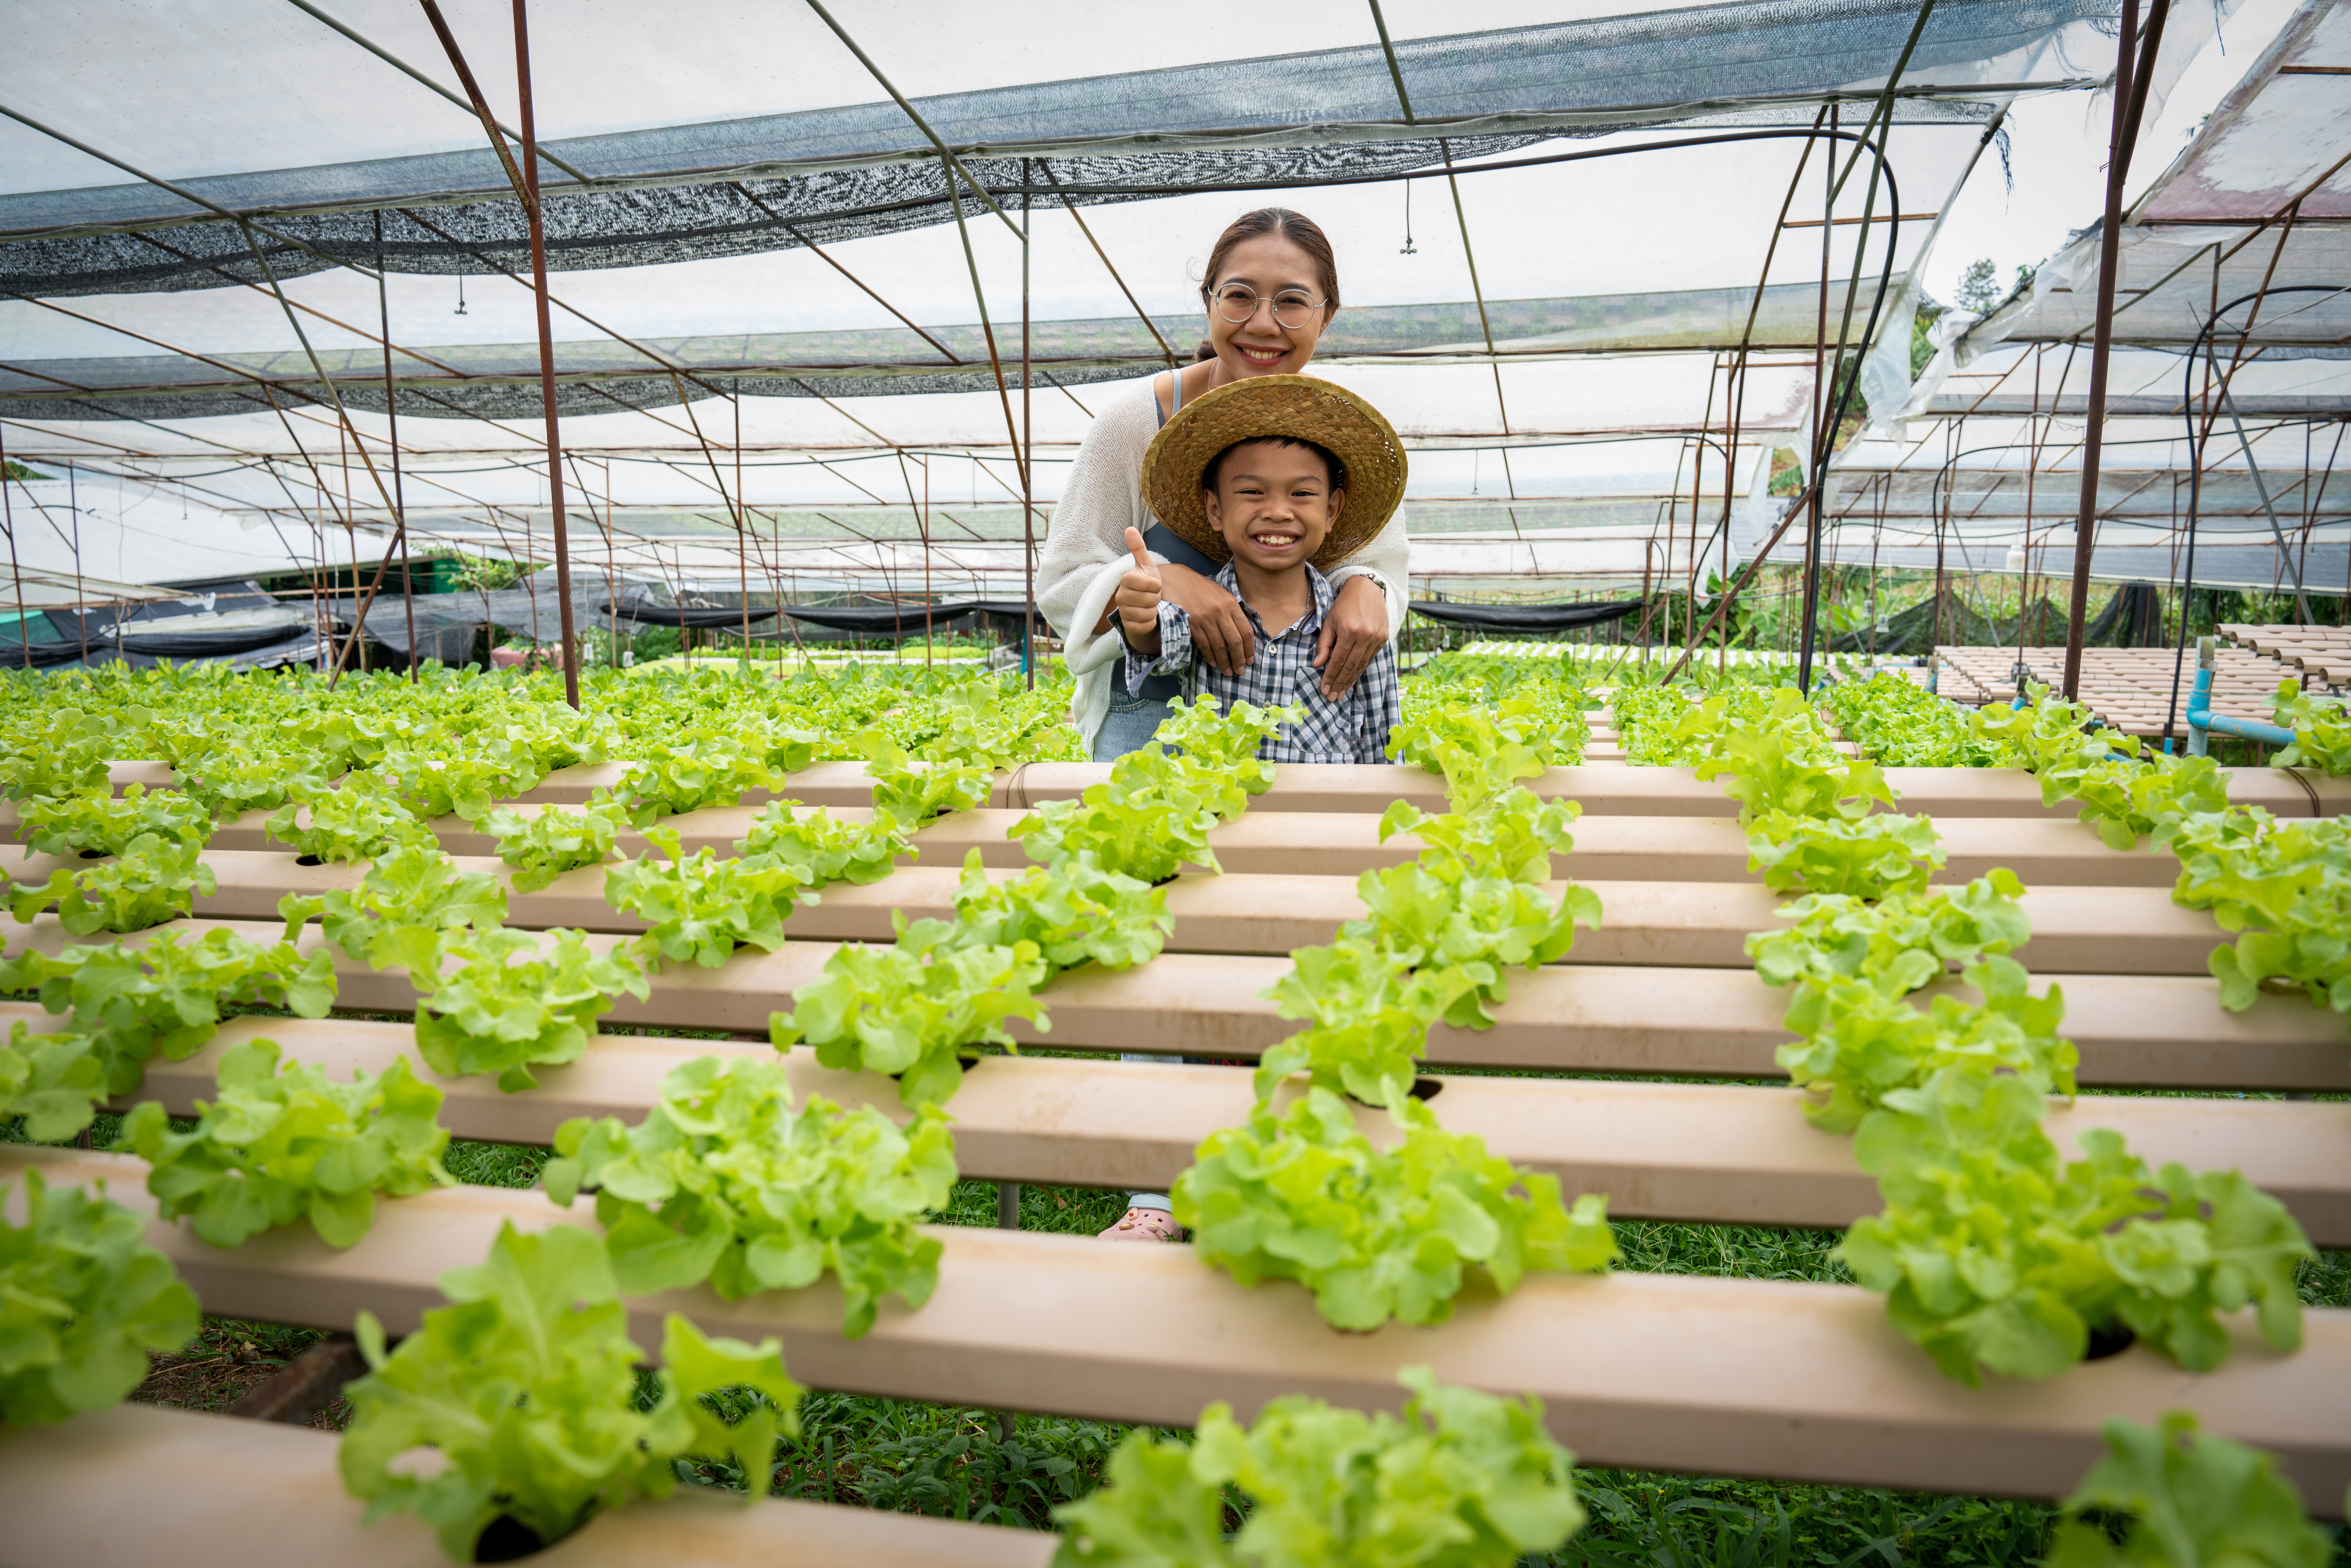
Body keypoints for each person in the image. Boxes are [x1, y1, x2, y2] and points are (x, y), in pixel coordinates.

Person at [1036, 208, 1408, 765]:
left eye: (1292, 301)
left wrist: (1366, 586)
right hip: (1149, 720)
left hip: (1304, 722)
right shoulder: (1136, 423)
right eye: (1239, 296)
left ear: (1325, 316)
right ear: (1208, 302)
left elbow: (1380, 566)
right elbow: (1063, 584)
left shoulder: (1343, 432)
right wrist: (1165, 581)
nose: (1263, 324)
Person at [1110, 376, 1403, 762]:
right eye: (1252, 492)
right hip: (1218, 815)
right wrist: (1138, 616)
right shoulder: (1202, 615)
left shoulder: (1353, 628)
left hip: (1321, 819)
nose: (1278, 512)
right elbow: (1157, 644)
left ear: (1332, 510)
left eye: (1302, 494)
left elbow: (1382, 744)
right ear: (1215, 510)